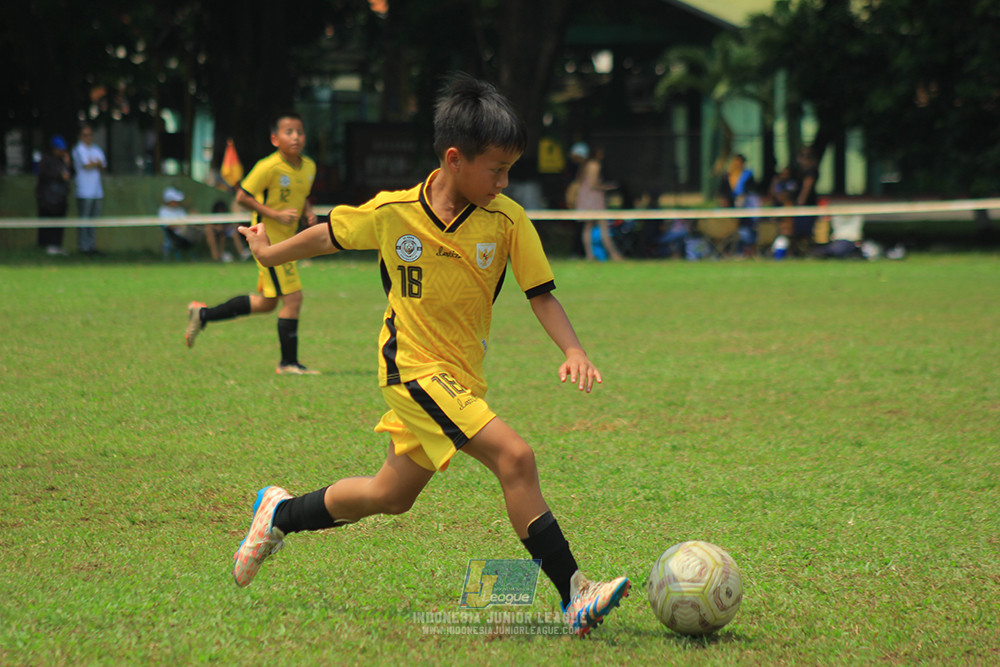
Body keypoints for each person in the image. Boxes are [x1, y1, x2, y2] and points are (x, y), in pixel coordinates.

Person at [231, 74, 630, 637]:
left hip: (461, 378)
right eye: (495, 169)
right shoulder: (395, 211)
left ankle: (279, 513)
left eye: (508, 170)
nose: (504, 181)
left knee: (388, 495)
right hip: (411, 368)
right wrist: (270, 255)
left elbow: (541, 294)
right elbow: (327, 235)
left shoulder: (509, 220)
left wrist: (572, 347)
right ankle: (575, 592)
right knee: (516, 458)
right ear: (453, 158)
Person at [184, 111, 319, 375]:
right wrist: (275, 214)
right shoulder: (268, 167)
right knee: (293, 299)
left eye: (300, 132)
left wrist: (308, 211)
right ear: (274, 138)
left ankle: (203, 315)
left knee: (267, 303)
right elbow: (243, 197)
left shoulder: (309, 167)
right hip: (268, 242)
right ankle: (288, 364)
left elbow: (300, 195)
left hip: (288, 242)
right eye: (288, 132)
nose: (296, 137)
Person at [572, 143, 624, 262]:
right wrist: (608, 187)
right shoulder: (594, 165)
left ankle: (590, 255)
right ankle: (614, 255)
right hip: (593, 199)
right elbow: (593, 184)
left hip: (586, 198)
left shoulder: (585, 165)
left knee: (588, 227)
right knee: (603, 226)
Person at [71, 125, 106, 254]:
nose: (88, 137)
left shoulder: (96, 149)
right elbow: (87, 165)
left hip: (97, 191)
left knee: (93, 220)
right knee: (84, 220)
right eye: (85, 135)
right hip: (84, 191)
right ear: (80, 137)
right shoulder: (78, 149)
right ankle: (83, 247)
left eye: (90, 134)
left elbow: (102, 166)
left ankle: (91, 246)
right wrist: (96, 163)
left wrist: (95, 163)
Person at [35, 135, 72, 256]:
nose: (61, 152)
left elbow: (69, 175)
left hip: (60, 198)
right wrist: (59, 175)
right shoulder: (45, 160)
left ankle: (57, 246)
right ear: (54, 148)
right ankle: (46, 247)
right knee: (47, 223)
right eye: (59, 149)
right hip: (47, 199)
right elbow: (43, 175)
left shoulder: (63, 161)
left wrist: (68, 164)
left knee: (59, 223)